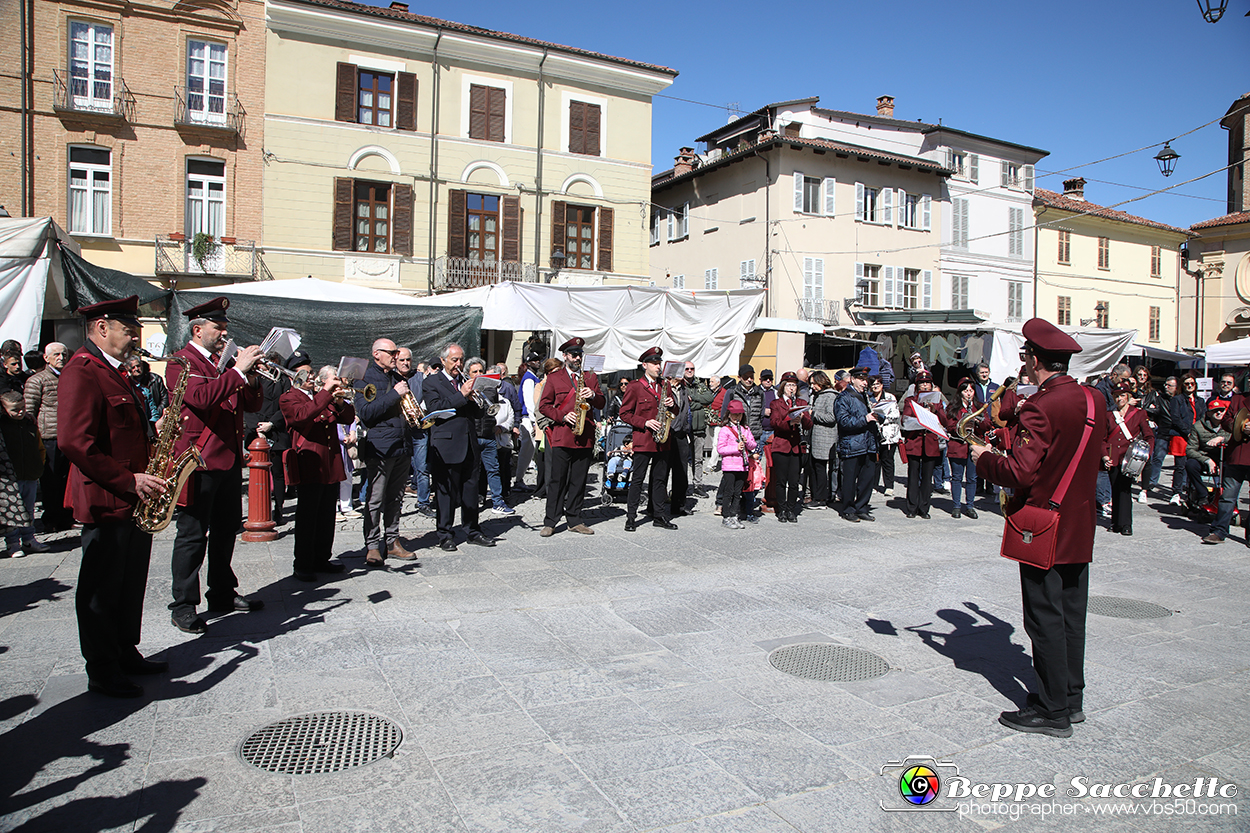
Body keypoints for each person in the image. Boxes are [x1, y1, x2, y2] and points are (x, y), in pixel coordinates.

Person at [973, 318, 1106, 738]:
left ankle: (1052, 711)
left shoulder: (1042, 406)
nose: (1024, 363)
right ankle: (1070, 697)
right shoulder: (1094, 398)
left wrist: (983, 458)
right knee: (1071, 615)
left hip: (1043, 525)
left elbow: (1019, 472)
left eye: (1026, 357)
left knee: (1043, 617)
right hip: (1079, 523)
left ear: (1034, 359)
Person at [59, 296, 170, 696]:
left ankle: (125, 650)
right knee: (101, 587)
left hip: (133, 496)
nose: (136, 335)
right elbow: (75, 442)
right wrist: (128, 481)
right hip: (108, 498)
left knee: (129, 581)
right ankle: (102, 667)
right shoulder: (82, 371)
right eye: (129, 328)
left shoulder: (117, 372)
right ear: (102, 327)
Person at [167, 297, 265, 636]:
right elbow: (200, 399)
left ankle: (221, 591)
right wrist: (237, 371)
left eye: (224, 327)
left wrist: (250, 375)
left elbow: (251, 403)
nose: (224, 333)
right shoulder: (182, 361)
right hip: (198, 460)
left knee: (226, 531)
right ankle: (183, 604)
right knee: (193, 535)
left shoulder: (224, 363)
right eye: (217, 328)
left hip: (226, 457)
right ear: (198, 330)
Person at [281, 363, 356, 580]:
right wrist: (325, 394)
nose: (311, 376)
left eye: (312, 372)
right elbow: (302, 415)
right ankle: (303, 563)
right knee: (307, 516)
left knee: (326, 515)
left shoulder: (321, 396)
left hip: (330, 463)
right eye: (307, 373)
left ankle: (322, 558)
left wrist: (340, 401)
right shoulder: (290, 397)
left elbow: (347, 418)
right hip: (310, 463)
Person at [355, 337, 418, 568]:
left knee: (396, 498)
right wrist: (394, 394)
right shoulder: (365, 378)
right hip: (380, 447)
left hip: (401, 444)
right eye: (391, 353)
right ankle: (372, 546)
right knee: (376, 499)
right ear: (376, 354)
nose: (395, 356)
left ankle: (392, 541)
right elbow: (366, 413)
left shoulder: (396, 377)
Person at [424, 343, 494, 550]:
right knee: (446, 493)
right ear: (443, 360)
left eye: (461, 359)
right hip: (446, 444)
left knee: (471, 490)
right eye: (454, 360)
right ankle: (445, 534)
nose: (458, 364)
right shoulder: (431, 382)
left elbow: (478, 414)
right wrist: (462, 395)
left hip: (469, 443)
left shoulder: (464, 381)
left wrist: (479, 397)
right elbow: (434, 407)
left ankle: (472, 530)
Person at [537, 337, 604, 536]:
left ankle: (574, 519)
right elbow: (544, 406)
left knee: (578, 479)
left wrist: (593, 395)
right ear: (565, 356)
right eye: (573, 355)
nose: (577, 358)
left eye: (579, 355)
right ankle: (551, 521)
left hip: (585, 435)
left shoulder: (590, 378)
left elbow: (601, 402)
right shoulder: (555, 378)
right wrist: (563, 416)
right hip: (563, 435)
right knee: (557, 480)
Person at [619, 347, 678, 532]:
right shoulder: (635, 386)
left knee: (660, 479)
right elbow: (624, 413)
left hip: (663, 440)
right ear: (645, 365)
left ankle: (659, 515)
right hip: (644, 439)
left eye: (659, 363)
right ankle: (631, 517)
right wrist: (645, 422)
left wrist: (672, 404)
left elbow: (675, 412)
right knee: (638, 479)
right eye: (654, 364)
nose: (658, 367)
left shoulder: (665, 385)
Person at [24, 341, 74, 531]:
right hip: (49, 436)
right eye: (56, 355)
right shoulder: (37, 380)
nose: (61, 358)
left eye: (63, 354)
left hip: (68, 435)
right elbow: (30, 410)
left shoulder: (69, 376)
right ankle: (51, 519)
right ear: (46, 358)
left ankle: (67, 516)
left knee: (67, 480)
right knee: (51, 481)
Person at [1102, 380, 1153, 536]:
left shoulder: (1138, 414)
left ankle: (1125, 524)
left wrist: (1145, 455)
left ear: (1128, 396)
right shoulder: (1109, 415)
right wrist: (1104, 455)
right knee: (1115, 489)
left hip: (1130, 458)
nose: (1119, 399)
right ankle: (1115, 522)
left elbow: (1149, 436)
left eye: (1122, 396)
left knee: (1125, 489)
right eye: (1116, 396)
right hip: (1113, 457)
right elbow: (1102, 438)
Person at [1, 392, 47, 556]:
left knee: (28, 509)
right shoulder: (3, 427)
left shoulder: (29, 425)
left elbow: (39, 447)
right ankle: (13, 543)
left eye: (23, 408)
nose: (20, 412)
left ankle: (29, 539)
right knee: (11, 511)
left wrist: (38, 465)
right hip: (9, 477)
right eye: (15, 410)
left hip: (30, 473)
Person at [834, 367, 877, 522]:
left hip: (868, 443)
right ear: (852, 379)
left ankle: (862, 507)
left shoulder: (865, 396)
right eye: (861, 379)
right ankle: (848, 509)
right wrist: (865, 419)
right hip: (852, 445)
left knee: (867, 479)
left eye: (866, 380)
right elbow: (843, 422)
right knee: (850, 480)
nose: (865, 383)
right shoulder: (844, 397)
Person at [901, 370, 945, 519]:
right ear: (917, 385)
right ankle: (912, 507)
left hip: (930, 443)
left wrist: (934, 410)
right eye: (922, 383)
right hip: (915, 441)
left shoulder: (937, 401)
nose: (925, 386)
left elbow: (944, 420)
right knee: (913, 476)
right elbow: (905, 419)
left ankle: (924, 507)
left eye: (927, 383)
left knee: (927, 478)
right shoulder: (910, 400)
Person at [768, 372, 812, 523]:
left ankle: (791, 510)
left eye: (794, 385)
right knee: (781, 481)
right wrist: (789, 421)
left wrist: (805, 417)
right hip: (781, 446)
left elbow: (808, 425)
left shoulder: (800, 403)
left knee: (794, 482)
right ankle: (782, 509)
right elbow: (774, 423)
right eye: (788, 385)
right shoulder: (776, 403)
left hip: (796, 447)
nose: (791, 388)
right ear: (783, 387)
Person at [397, 347, 431, 515]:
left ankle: (423, 502)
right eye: (402, 360)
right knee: (397, 470)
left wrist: (421, 411)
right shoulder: (391, 377)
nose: (405, 363)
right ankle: (394, 505)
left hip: (418, 429)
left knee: (422, 467)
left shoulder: (420, 377)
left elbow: (429, 397)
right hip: (399, 430)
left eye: (408, 360)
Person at [944, 379, 983, 520]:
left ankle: (970, 506)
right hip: (958, 445)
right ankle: (956, 506)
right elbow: (949, 426)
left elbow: (988, 424)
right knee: (957, 477)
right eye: (965, 391)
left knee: (972, 478)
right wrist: (961, 424)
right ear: (960, 393)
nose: (968, 393)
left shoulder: (979, 406)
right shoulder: (953, 407)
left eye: (971, 391)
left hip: (973, 446)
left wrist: (980, 421)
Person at [715, 400, 756, 528]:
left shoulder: (746, 429)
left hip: (742, 465)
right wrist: (736, 447)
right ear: (728, 415)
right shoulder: (725, 430)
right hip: (729, 465)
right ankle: (726, 516)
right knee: (729, 491)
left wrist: (747, 441)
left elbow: (753, 445)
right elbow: (720, 449)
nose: (736, 417)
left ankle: (734, 515)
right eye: (734, 414)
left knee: (738, 492)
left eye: (739, 414)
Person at [1186, 397, 1229, 516]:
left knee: (1231, 468)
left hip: (1224, 458)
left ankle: (1227, 498)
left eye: (1221, 410)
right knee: (1191, 464)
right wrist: (1207, 460)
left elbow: (1234, 437)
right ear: (1209, 413)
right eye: (1215, 411)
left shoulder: (1229, 425)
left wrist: (1222, 438)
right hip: (1205, 457)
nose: (1219, 413)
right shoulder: (1198, 426)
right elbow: (1190, 449)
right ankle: (1202, 494)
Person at [1168, 374, 1205, 506]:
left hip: (1196, 436)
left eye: (1192, 384)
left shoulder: (1200, 401)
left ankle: (1191, 491)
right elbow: (1176, 418)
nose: (1189, 386)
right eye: (1186, 384)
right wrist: (1188, 432)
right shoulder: (1177, 399)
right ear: (1182, 385)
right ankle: (1176, 492)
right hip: (1182, 435)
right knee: (1180, 465)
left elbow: (1203, 417)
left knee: (1193, 464)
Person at [1138, 370, 1172, 502]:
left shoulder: (1153, 393)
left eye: (1144, 375)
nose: (1142, 377)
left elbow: (1157, 409)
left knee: (1148, 457)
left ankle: (1145, 489)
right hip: (1131, 426)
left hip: (1148, 426)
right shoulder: (1130, 390)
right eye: (1139, 375)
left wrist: (1144, 409)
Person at [808, 371, 837, 509]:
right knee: (815, 467)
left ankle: (821, 498)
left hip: (825, 439)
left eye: (814, 383)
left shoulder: (830, 396)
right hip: (816, 438)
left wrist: (813, 413)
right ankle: (817, 495)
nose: (812, 386)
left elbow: (831, 417)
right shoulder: (818, 395)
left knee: (821, 469)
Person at [514, 351, 542, 492]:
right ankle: (518, 479)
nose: (538, 362)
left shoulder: (532, 377)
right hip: (528, 419)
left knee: (529, 451)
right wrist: (533, 421)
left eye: (538, 360)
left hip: (529, 418)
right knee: (527, 451)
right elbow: (529, 402)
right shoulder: (529, 379)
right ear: (528, 363)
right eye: (535, 360)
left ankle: (519, 479)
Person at [868, 376, 901, 497]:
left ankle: (889, 486)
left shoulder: (890, 397)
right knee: (875, 461)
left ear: (882, 385)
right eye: (873, 384)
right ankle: (874, 485)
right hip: (873, 433)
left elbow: (896, 415)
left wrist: (882, 417)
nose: (875, 386)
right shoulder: (868, 398)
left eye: (878, 384)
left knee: (887, 460)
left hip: (889, 434)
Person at [686, 364, 714, 493]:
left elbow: (709, 398)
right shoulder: (680, 385)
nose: (690, 371)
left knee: (698, 459)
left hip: (699, 428)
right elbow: (684, 404)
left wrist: (695, 400)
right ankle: (683, 486)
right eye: (687, 369)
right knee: (682, 460)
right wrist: (699, 405)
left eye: (692, 369)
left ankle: (698, 485)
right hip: (684, 429)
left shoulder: (700, 385)